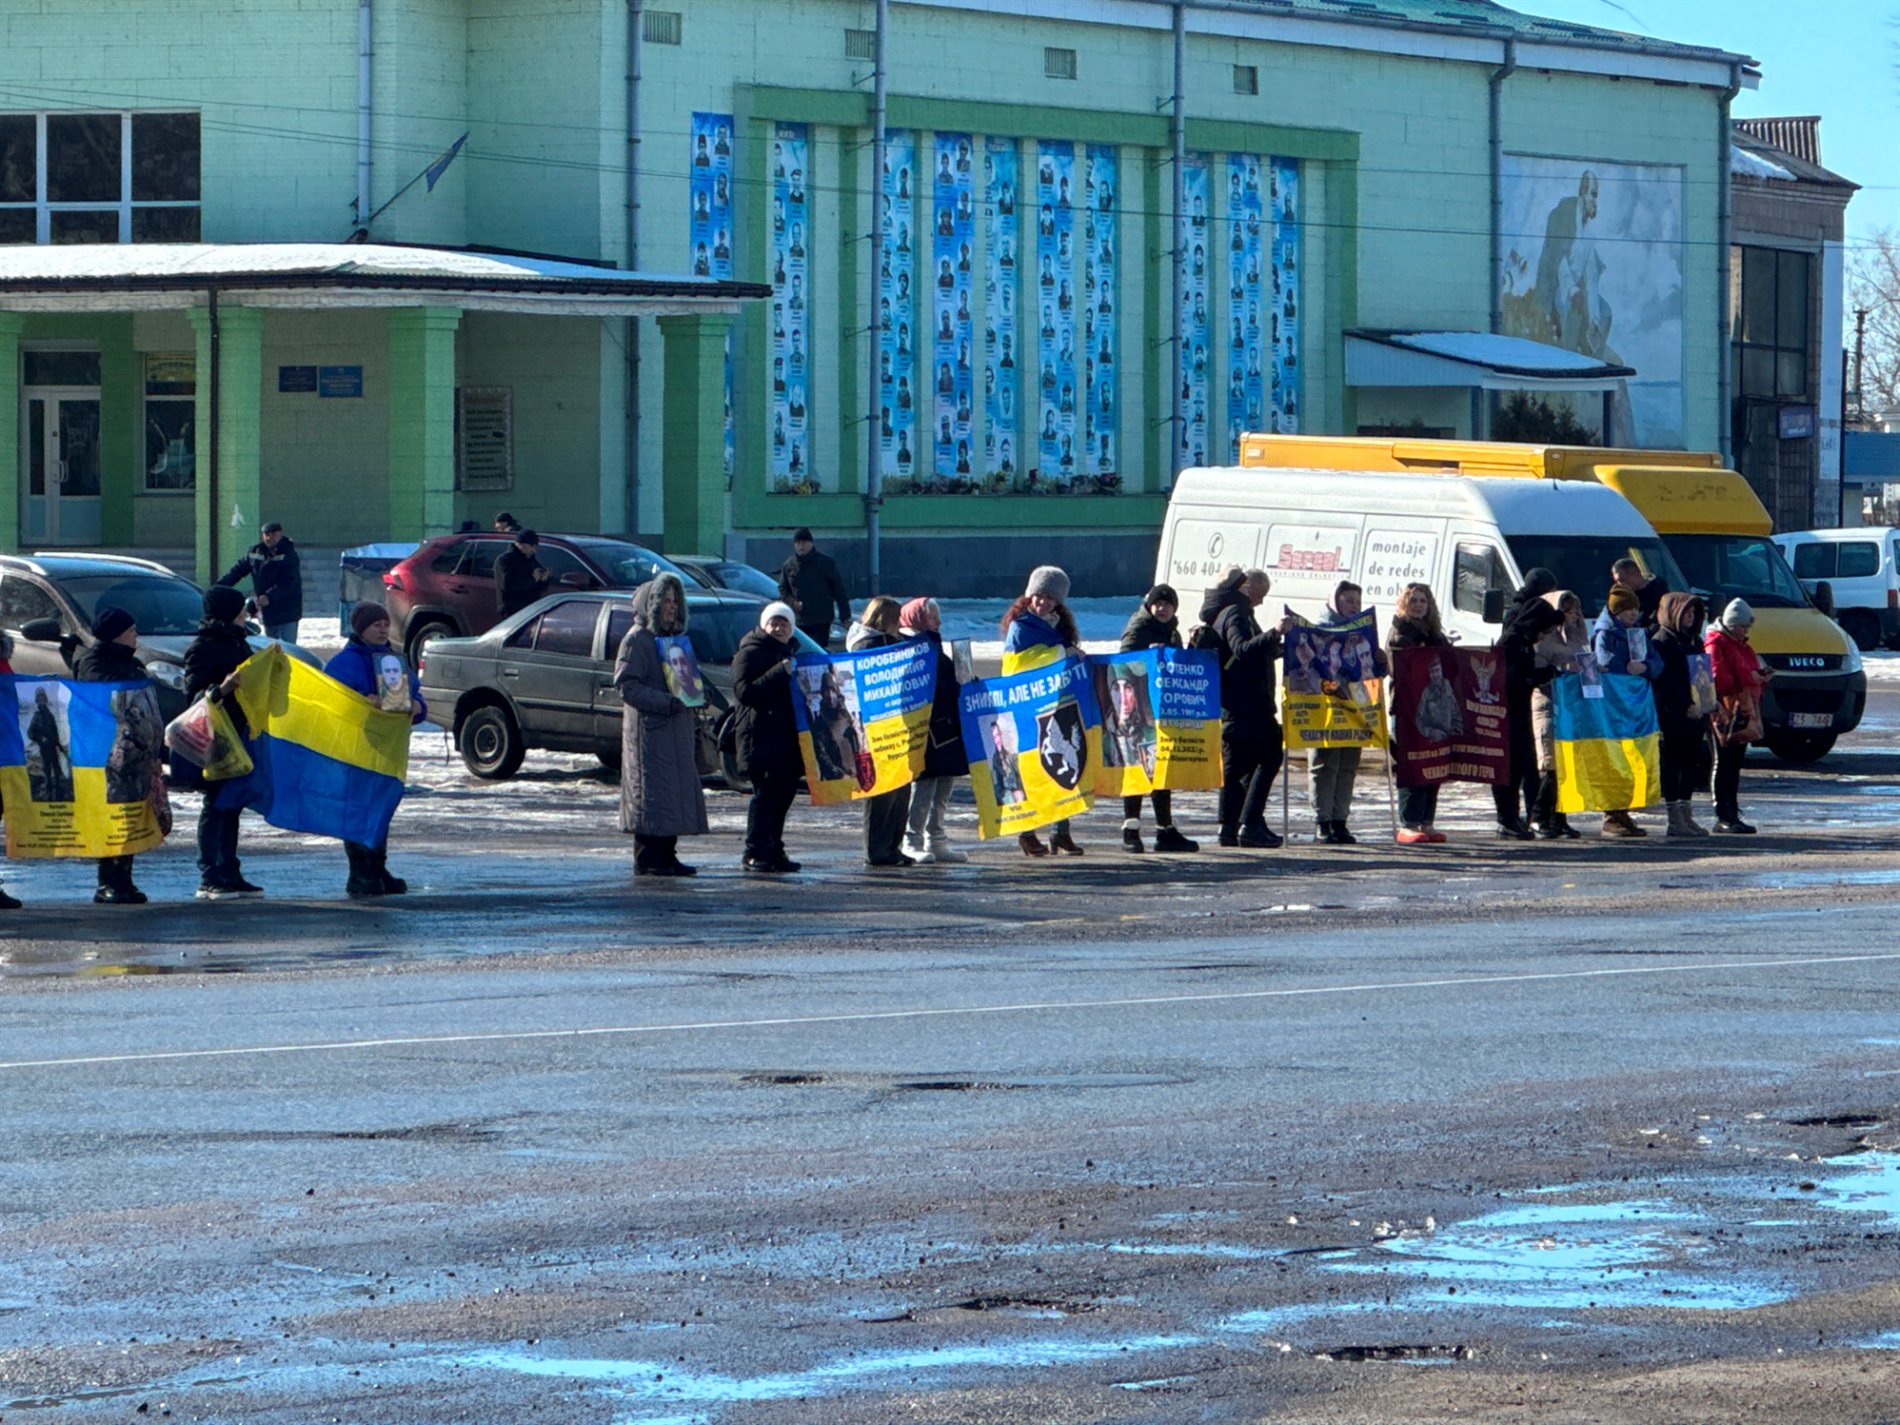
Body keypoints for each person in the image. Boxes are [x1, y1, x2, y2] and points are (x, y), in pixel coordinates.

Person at [612, 572, 708, 877]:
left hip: (675, 730)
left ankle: (667, 854)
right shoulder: (637, 639)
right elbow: (626, 685)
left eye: (675, 601)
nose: (672, 607)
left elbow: (684, 681)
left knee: (672, 793)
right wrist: (666, 702)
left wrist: (696, 695)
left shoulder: (673, 640)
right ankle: (649, 857)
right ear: (651, 605)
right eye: (665, 601)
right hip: (649, 734)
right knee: (652, 795)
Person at [325, 603, 424, 897]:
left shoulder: (392, 660)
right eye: (375, 625)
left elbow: (411, 695)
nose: (382, 629)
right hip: (356, 749)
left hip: (387, 749)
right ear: (360, 629)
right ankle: (360, 872)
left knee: (381, 808)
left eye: (385, 624)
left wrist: (418, 706)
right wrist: (362, 701)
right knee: (357, 809)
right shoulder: (343, 663)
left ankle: (378, 867)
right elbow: (332, 703)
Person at [1199, 567, 1296, 848]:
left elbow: (1243, 653)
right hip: (1248, 702)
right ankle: (1250, 823)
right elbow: (1241, 649)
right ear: (1244, 588)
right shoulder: (1235, 613)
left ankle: (1229, 827)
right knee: (1269, 756)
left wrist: (1272, 648)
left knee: (1238, 766)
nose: (1261, 601)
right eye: (1259, 594)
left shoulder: (1224, 612)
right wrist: (1273, 633)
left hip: (1234, 702)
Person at [182, 585, 264, 898]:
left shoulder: (238, 641)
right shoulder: (203, 646)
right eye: (240, 610)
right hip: (217, 736)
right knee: (215, 804)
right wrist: (223, 688)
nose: (245, 615)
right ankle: (210, 874)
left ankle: (230, 869)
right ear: (227, 612)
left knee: (231, 804)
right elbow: (194, 696)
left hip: (240, 732)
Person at [1002, 566, 1085, 857]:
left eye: (1051, 598)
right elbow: (1019, 666)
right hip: (1027, 710)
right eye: (1040, 595)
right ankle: (1027, 832)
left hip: (1058, 706)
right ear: (1030, 594)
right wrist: (1063, 654)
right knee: (1032, 771)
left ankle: (1060, 831)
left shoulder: (1059, 626)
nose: (1044, 602)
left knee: (1064, 767)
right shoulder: (1020, 627)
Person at [73, 606, 152, 904]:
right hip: (103, 750)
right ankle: (107, 880)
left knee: (130, 813)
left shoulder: (132, 663)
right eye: (131, 631)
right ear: (118, 635)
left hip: (132, 750)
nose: (136, 636)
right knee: (111, 814)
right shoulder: (92, 661)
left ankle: (125, 877)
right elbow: (99, 693)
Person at [1116, 584, 1197, 853]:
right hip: (1138, 711)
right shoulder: (1139, 627)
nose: (1162, 608)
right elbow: (1123, 664)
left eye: (1168, 604)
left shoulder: (1171, 631)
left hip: (1162, 712)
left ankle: (1165, 829)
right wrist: (1149, 655)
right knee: (1138, 767)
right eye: (1158, 604)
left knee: (1161, 768)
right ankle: (1131, 828)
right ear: (1149, 606)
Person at [1308, 580, 1387, 845]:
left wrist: (1380, 660)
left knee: (1348, 764)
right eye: (1348, 600)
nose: (1354, 605)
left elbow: (1371, 669)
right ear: (1335, 600)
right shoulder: (1319, 629)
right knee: (1325, 763)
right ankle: (1323, 821)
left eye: (1357, 600)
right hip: (1328, 704)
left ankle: (1340, 820)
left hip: (1356, 706)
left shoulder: (1363, 631)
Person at [898, 597, 970, 864]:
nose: (938, 621)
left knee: (944, 786)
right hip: (925, 731)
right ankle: (911, 840)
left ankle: (937, 838)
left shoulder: (933, 645)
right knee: (924, 788)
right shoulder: (908, 647)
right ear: (917, 618)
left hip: (947, 728)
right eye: (932, 616)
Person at [732, 602, 803, 872]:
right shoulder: (750, 652)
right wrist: (778, 672)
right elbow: (745, 692)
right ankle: (754, 851)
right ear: (764, 625)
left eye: (784, 624)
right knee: (765, 797)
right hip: (760, 739)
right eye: (773, 622)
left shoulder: (790, 654)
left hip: (785, 741)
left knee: (783, 796)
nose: (778, 628)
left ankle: (773, 849)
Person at [1493, 569, 1563, 840]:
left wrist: (1544, 674)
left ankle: (1518, 817)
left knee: (1523, 763)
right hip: (1506, 710)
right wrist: (1533, 676)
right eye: (1544, 631)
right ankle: (1507, 818)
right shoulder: (1514, 639)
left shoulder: (1524, 640)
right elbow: (1509, 676)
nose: (1544, 637)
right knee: (1509, 765)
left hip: (1520, 707)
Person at [846, 596, 914, 868]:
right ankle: (877, 849)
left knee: (901, 789)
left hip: (898, 727)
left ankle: (893, 846)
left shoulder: (893, 644)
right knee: (882, 792)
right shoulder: (867, 646)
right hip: (875, 730)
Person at [1591, 584, 1662, 838]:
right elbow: (1604, 665)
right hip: (1614, 708)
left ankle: (1625, 812)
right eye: (1628, 610)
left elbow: (1657, 662)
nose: (1634, 614)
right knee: (1615, 759)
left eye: (1635, 609)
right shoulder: (1606, 634)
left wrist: (1645, 667)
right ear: (1617, 611)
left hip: (1636, 707)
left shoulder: (1638, 634)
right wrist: (1626, 667)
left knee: (1633, 760)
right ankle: (1612, 815)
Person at [1386, 582, 1451, 845]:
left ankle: (1427, 820)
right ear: (1404, 603)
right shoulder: (1399, 631)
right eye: (1413, 600)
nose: (1418, 605)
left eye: (1422, 601)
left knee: (1434, 761)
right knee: (1412, 762)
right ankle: (1408, 823)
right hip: (1407, 706)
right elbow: (1397, 666)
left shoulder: (1436, 632)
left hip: (1436, 707)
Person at [1650, 592, 1713, 838]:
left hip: (1696, 712)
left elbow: (1702, 673)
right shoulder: (1661, 642)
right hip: (1673, 714)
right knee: (1672, 764)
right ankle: (1674, 818)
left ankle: (1687, 815)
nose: (1690, 617)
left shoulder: (1694, 641)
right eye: (1686, 612)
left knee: (1691, 764)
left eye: (1694, 613)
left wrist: (1708, 700)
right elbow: (1665, 681)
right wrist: (1686, 703)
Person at [1706, 598, 1770, 834]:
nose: (1746, 631)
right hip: (1724, 709)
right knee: (1723, 760)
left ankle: (1731, 811)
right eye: (1743, 626)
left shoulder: (1739, 644)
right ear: (1732, 623)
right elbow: (1718, 677)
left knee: (1734, 763)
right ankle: (1723, 814)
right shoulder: (1717, 643)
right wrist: (1750, 678)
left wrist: (1758, 676)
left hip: (1741, 708)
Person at [1529, 590, 1589, 839]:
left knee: (1567, 764)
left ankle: (1560, 818)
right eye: (1567, 611)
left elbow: (1584, 658)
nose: (1572, 617)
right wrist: (1564, 669)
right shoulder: (1543, 640)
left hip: (1570, 708)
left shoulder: (1573, 638)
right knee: (1550, 763)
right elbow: (1538, 672)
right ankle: (1538, 816)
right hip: (1548, 705)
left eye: (1575, 612)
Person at [216, 521, 302, 642]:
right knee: (272, 649)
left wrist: (269, 596)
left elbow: (289, 582)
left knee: (287, 649)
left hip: (287, 610)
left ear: (280, 534)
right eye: (266, 534)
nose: (269, 537)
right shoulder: (256, 552)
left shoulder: (288, 553)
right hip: (269, 612)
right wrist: (220, 586)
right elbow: (238, 570)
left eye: (273, 534)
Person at [777, 528, 851, 650]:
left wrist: (845, 616)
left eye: (805, 542)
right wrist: (793, 603)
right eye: (798, 543)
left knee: (818, 651)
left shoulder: (825, 563)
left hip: (821, 620)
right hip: (799, 620)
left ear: (811, 544)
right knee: (800, 652)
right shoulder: (789, 565)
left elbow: (839, 590)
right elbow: (783, 590)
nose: (801, 546)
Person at [494, 528, 550, 620]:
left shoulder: (530, 559)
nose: (534, 550)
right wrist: (532, 579)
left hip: (531, 608)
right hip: (513, 610)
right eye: (532, 546)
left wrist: (543, 579)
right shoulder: (504, 560)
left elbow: (537, 587)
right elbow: (507, 585)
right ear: (521, 544)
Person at [1610, 556, 1667, 627]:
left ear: (1635, 575)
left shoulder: (1660, 594)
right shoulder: (1624, 597)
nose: (1619, 585)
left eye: (1621, 580)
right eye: (1616, 581)